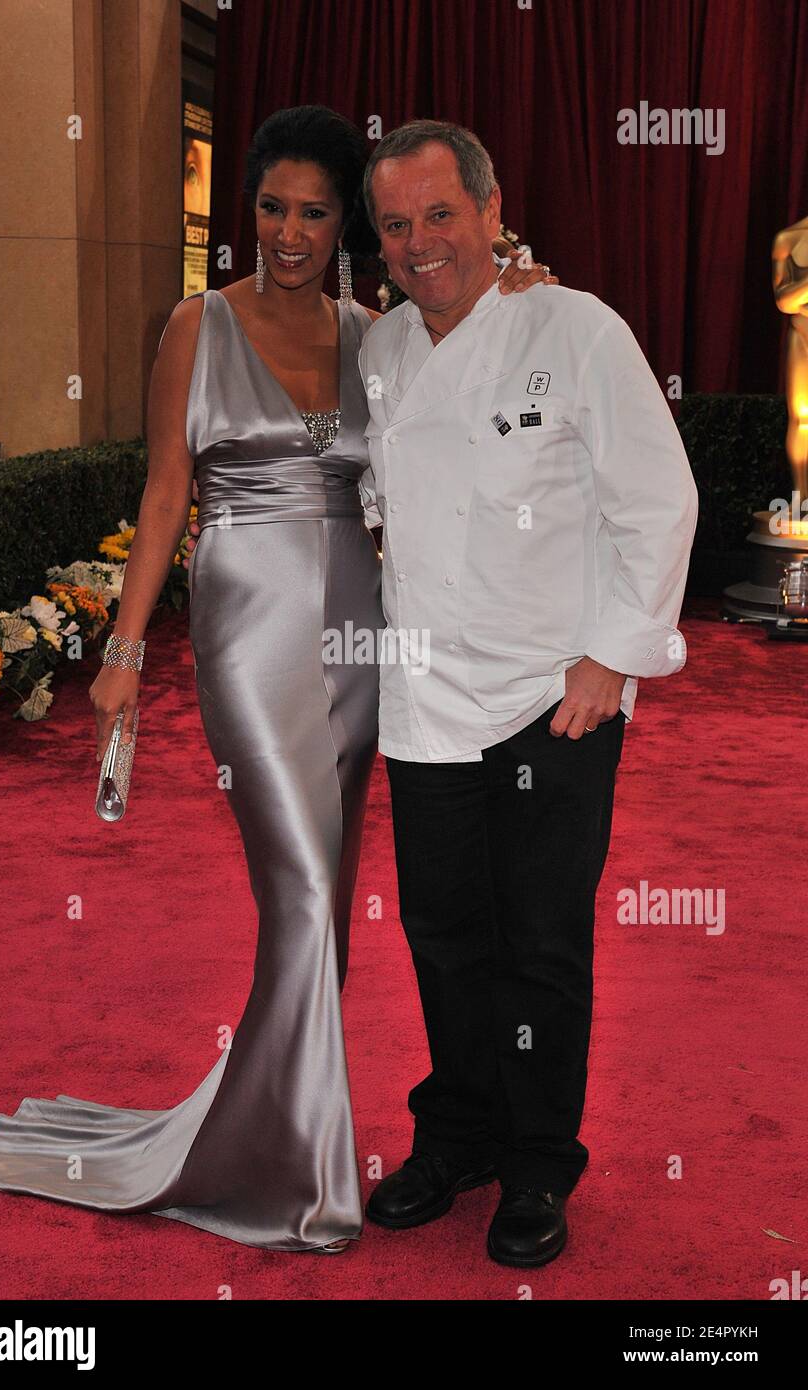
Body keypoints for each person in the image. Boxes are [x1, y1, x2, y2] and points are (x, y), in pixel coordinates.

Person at [0, 106, 553, 1255]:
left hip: (359, 640)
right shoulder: (196, 326)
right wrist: (127, 653)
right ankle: (294, 1168)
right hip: (246, 637)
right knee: (296, 887)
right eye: (272, 209)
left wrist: (523, 274)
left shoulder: (374, 333)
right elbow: (161, 499)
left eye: (315, 212)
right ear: (249, 212)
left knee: (326, 909)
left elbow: (464, 380)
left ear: (350, 226)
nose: (288, 233)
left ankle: (278, 1132)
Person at [356, 120, 699, 1267]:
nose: (420, 243)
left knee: (540, 944)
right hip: (423, 702)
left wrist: (613, 656)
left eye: (440, 214)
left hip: (551, 702)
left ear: (493, 210)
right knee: (443, 932)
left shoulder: (577, 327)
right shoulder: (386, 352)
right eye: (396, 226)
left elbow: (659, 499)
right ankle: (458, 1136)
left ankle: (539, 1162)